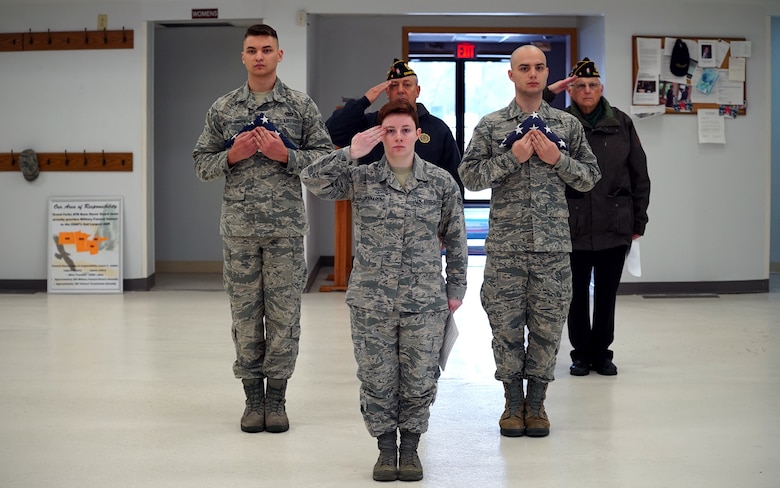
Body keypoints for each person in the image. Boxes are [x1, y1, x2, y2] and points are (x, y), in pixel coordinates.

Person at [301, 99, 467, 482]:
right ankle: (384, 450)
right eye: (389, 131)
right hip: (371, 300)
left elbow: (457, 239)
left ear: (417, 134)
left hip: (424, 299)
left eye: (404, 130)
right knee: (377, 378)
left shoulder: (440, 182)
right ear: (379, 135)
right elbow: (312, 180)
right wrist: (349, 152)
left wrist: (455, 287)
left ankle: (409, 448)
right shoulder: (362, 178)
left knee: (421, 378)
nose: (397, 138)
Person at [192, 24, 333, 434]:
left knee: (285, 317)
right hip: (238, 231)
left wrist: (285, 154)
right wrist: (231, 157)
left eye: (266, 49)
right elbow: (201, 163)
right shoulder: (222, 108)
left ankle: (278, 400)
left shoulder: (300, 106)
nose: (259, 56)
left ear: (279, 55)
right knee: (246, 317)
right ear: (243, 56)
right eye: (251, 50)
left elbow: (326, 162)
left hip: (285, 232)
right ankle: (253, 400)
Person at [458, 45, 601, 438]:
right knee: (505, 327)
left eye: (539, 67)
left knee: (547, 327)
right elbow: (469, 177)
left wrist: (558, 159)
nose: (532, 74)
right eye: (524, 68)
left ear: (546, 72)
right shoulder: (491, 126)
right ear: (511, 75)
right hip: (506, 247)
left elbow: (590, 177)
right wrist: (512, 157)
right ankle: (510, 403)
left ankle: (536, 404)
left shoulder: (568, 126)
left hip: (553, 249)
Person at [561, 58, 651, 377]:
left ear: (602, 89)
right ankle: (580, 354)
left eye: (593, 85)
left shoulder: (622, 123)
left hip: (615, 224)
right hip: (572, 226)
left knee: (606, 293)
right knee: (574, 294)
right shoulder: (559, 123)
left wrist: (639, 221)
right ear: (570, 90)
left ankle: (602, 353)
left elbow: (639, 174)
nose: (587, 90)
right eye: (580, 85)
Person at [326, 58, 465, 195]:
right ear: (387, 92)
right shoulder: (370, 124)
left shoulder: (438, 128)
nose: (400, 90)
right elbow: (331, 132)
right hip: (376, 209)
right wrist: (364, 102)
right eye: (394, 86)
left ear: (417, 90)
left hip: (424, 212)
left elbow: (455, 180)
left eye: (406, 85)